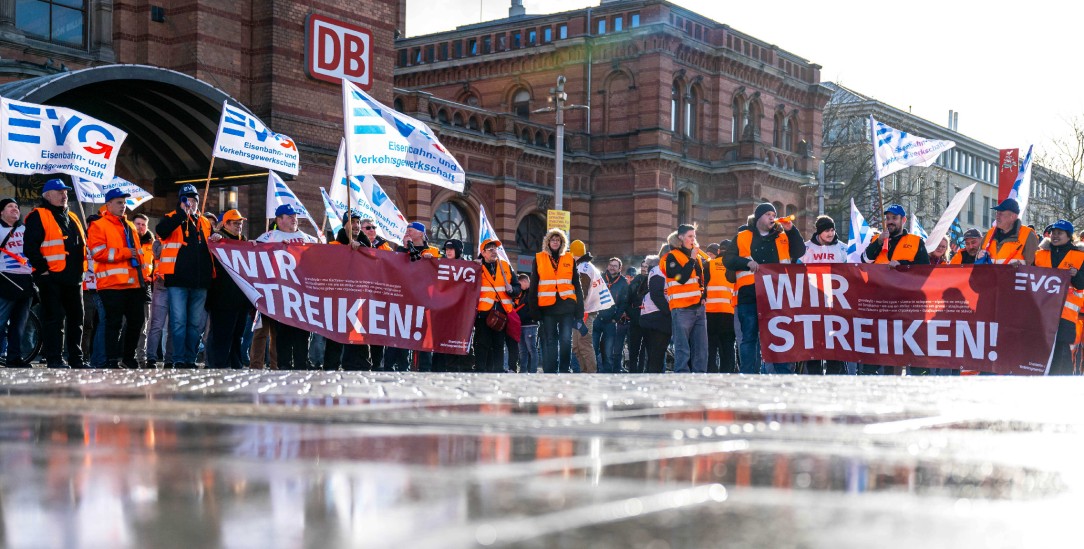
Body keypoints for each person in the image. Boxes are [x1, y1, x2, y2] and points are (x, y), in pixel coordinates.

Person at [725, 203, 805, 374]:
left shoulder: (782, 236)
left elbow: (799, 251)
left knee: (780, 335)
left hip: (777, 295)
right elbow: (728, 259)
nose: (772, 217)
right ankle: (749, 374)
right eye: (768, 213)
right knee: (749, 338)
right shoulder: (742, 236)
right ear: (758, 217)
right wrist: (746, 263)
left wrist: (791, 230)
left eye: (773, 214)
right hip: (749, 295)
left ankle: (783, 373)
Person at [24, 178, 86, 369]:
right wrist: (43, 271)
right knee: (54, 319)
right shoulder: (38, 216)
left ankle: (76, 359)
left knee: (77, 319)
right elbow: (30, 247)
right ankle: (54, 359)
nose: (64, 195)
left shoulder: (73, 216)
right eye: (59, 192)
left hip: (74, 278)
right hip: (51, 278)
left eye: (66, 192)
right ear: (47, 195)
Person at [862, 204, 930, 375]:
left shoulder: (915, 242)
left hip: (906, 305)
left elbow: (925, 270)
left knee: (908, 346)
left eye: (894, 218)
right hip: (880, 304)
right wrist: (878, 242)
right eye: (888, 218)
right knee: (878, 347)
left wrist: (903, 265)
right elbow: (864, 261)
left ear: (903, 220)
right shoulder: (877, 239)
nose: (890, 222)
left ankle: (916, 382)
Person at [87, 188, 150, 369]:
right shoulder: (99, 225)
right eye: (119, 202)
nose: (123, 206)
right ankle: (111, 359)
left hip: (135, 284)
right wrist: (124, 253)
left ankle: (128, 358)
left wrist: (143, 279)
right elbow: (98, 253)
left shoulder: (129, 226)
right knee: (113, 324)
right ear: (108, 205)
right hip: (112, 285)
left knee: (136, 322)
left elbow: (138, 256)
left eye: (124, 203)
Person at [154, 184, 213, 369]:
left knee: (195, 325)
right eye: (187, 199)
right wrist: (182, 214)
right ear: (180, 201)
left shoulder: (204, 222)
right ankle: (178, 358)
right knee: (178, 322)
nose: (191, 203)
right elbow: (162, 231)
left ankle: (190, 358)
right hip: (177, 281)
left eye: (194, 199)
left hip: (200, 282)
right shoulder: (171, 218)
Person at [256, 204, 320, 370]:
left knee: (302, 333)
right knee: (282, 333)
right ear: (279, 219)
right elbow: (253, 254)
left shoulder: (308, 239)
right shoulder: (269, 237)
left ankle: (301, 365)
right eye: (289, 216)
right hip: (281, 295)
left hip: (303, 296)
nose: (294, 219)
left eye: (295, 216)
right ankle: (283, 365)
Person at [799, 215, 850, 375]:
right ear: (819, 231)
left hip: (835, 303)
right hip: (812, 303)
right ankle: (813, 373)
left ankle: (834, 373)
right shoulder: (806, 249)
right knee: (814, 340)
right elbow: (795, 271)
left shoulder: (842, 248)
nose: (831, 233)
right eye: (827, 230)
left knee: (834, 340)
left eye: (833, 230)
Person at [528, 228, 584, 374]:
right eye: (553, 240)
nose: (555, 242)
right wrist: (534, 310)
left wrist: (579, 309)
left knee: (566, 340)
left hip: (567, 307)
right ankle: (551, 370)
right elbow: (533, 285)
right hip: (547, 308)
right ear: (548, 242)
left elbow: (577, 286)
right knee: (550, 341)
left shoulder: (569, 258)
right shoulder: (539, 258)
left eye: (558, 240)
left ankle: (565, 369)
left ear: (562, 242)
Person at [1034, 220, 1084, 376]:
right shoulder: (1040, 254)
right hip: (1042, 312)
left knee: (1061, 350)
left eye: (1059, 233)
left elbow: (1081, 285)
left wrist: (1076, 275)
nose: (1055, 236)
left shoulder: (1079, 256)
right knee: (1043, 348)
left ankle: (1062, 385)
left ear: (1068, 236)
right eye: (1053, 232)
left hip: (1065, 314)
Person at [205, 209, 252, 369]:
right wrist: (215, 239)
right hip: (222, 298)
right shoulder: (218, 240)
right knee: (222, 335)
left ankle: (236, 364)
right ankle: (219, 366)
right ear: (225, 224)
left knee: (237, 335)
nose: (239, 226)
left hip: (240, 298)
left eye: (240, 223)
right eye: (235, 223)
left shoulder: (244, 241)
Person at [664, 224, 710, 373]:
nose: (693, 239)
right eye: (690, 236)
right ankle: (682, 378)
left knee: (701, 349)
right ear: (681, 238)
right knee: (683, 349)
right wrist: (691, 259)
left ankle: (700, 377)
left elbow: (699, 280)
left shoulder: (695, 257)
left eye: (694, 236)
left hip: (698, 308)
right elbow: (682, 278)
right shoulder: (671, 256)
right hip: (681, 309)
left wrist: (704, 295)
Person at [474, 238, 518, 372]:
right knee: (482, 343)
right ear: (483, 252)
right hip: (483, 314)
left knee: (498, 344)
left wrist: (512, 290)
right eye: (490, 249)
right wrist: (472, 266)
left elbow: (517, 288)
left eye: (496, 249)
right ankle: (480, 370)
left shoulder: (505, 266)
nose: (494, 252)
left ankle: (497, 371)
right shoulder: (476, 266)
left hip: (501, 314)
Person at [0, 198, 34, 367]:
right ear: (1, 212)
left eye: (16, 206)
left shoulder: (26, 229)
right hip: (5, 278)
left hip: (26, 280)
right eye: (10, 206)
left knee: (19, 323)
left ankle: (14, 358)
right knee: (0, 321)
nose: (15, 209)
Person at [570, 240, 611, 373]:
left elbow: (581, 291)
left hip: (584, 313)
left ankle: (590, 374)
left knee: (584, 345)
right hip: (584, 312)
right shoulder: (586, 266)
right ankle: (585, 372)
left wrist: (576, 309)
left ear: (574, 254)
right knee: (577, 346)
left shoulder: (582, 268)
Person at [705, 239, 737, 374]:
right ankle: (727, 373)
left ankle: (710, 372)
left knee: (710, 347)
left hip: (710, 312)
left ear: (718, 251)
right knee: (728, 346)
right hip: (729, 312)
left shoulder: (709, 265)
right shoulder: (734, 267)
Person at [593, 257, 628, 373]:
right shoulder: (600, 278)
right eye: (610, 265)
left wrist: (616, 318)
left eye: (615, 266)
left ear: (620, 268)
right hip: (596, 319)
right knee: (592, 350)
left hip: (610, 322)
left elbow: (623, 302)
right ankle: (593, 373)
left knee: (608, 353)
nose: (612, 267)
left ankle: (607, 375)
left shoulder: (623, 282)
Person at [978, 198, 1038, 265]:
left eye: (1001, 213)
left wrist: (1020, 269)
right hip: (990, 275)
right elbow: (977, 265)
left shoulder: (1028, 235)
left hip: (1014, 275)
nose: (997, 216)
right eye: (997, 213)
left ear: (1013, 216)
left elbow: (1035, 269)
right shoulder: (989, 234)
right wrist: (978, 257)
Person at [639, 253, 671, 374]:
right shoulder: (659, 270)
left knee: (654, 355)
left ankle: (652, 379)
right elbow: (656, 294)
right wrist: (669, 312)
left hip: (652, 315)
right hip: (657, 316)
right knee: (656, 354)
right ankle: (654, 381)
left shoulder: (658, 270)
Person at [131, 213, 156, 366]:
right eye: (138, 224)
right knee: (126, 325)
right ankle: (126, 356)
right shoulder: (127, 240)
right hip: (127, 286)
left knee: (143, 328)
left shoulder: (152, 244)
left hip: (144, 287)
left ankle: (142, 359)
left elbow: (156, 263)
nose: (140, 227)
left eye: (143, 224)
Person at [624, 258, 649, 373]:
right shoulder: (636, 281)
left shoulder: (653, 279)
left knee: (645, 351)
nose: (644, 268)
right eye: (643, 266)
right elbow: (627, 301)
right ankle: (633, 373)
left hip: (649, 320)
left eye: (646, 266)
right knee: (634, 349)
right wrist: (633, 314)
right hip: (636, 320)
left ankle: (642, 373)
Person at [515, 273, 539, 373]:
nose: (520, 287)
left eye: (520, 284)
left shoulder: (533, 292)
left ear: (525, 281)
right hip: (522, 325)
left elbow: (533, 309)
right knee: (523, 351)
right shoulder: (524, 293)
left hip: (530, 324)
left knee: (531, 350)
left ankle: (533, 371)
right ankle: (523, 371)